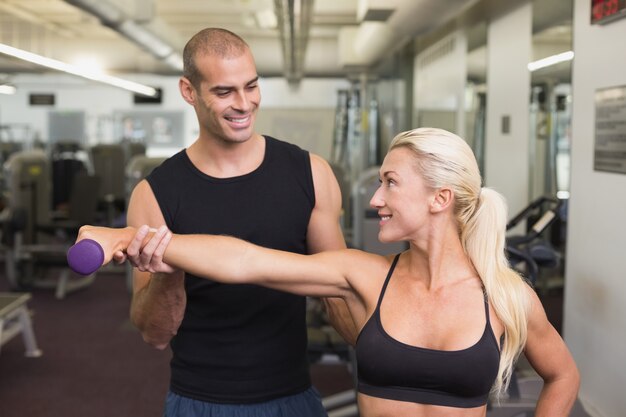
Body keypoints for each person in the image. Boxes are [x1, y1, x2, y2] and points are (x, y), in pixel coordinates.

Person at [78, 127, 580, 417]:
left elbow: (562, 374)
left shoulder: (505, 295)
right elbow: (244, 260)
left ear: (439, 198)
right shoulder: (363, 275)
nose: (376, 198)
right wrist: (125, 238)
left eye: (390, 183)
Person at [123, 27, 357, 416]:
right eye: (224, 91)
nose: (244, 103)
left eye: (251, 86)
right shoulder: (155, 194)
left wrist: (393, 355)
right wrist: (169, 271)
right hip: (199, 400)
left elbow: (338, 291)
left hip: (293, 396)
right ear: (188, 91)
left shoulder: (310, 174)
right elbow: (154, 334)